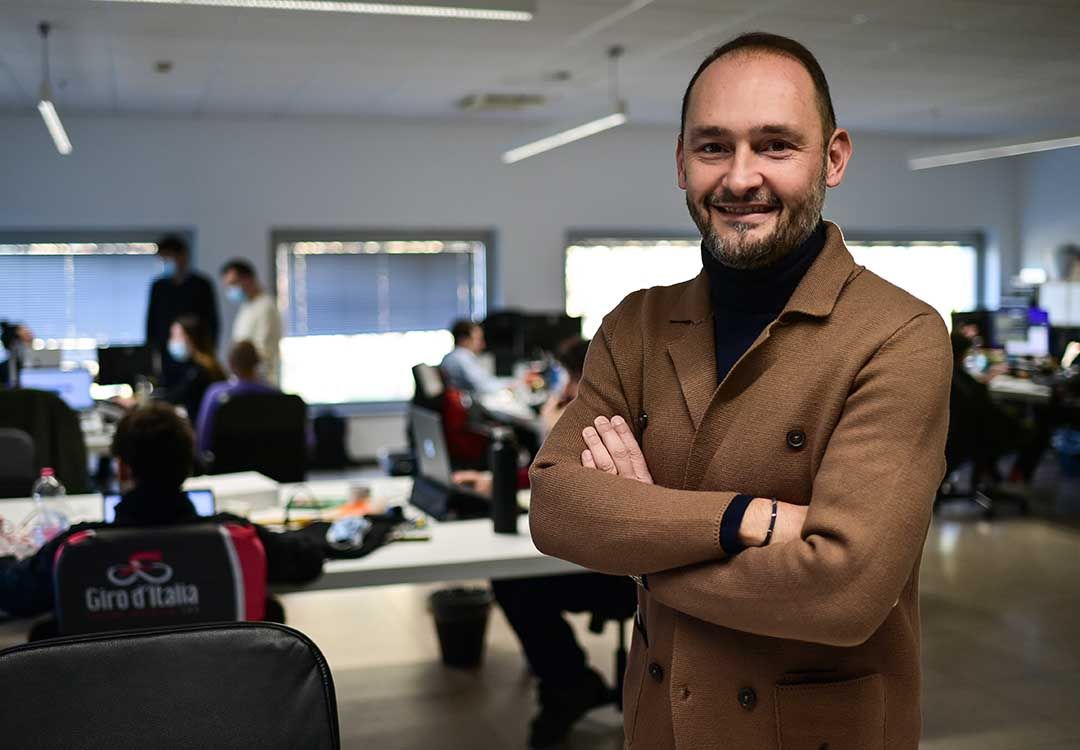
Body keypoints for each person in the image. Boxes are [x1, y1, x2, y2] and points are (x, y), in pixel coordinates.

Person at [529, 32, 951, 750]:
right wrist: (748, 519)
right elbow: (555, 507)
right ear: (682, 162)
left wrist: (642, 551)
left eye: (776, 145)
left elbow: (843, 592)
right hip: (660, 725)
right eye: (714, 147)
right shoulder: (635, 324)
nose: (740, 178)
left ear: (834, 158)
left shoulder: (899, 334)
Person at [0, 401, 325, 627]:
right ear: (187, 467)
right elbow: (306, 559)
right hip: (221, 706)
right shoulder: (235, 540)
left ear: (122, 468)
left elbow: (13, 593)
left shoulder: (75, 551)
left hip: (99, 713)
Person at [145, 235, 220, 388]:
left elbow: (212, 322)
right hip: (166, 358)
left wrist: (207, 352)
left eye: (169, 258)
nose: (166, 263)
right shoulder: (159, 287)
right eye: (163, 260)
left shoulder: (201, 285)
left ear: (182, 256)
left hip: (196, 354)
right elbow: (151, 323)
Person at [195, 340, 280, 459]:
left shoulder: (215, 395)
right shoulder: (277, 398)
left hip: (225, 471)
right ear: (257, 362)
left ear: (230, 364)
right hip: (274, 470)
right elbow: (306, 443)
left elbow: (202, 443)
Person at [220, 259, 282, 385]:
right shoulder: (246, 307)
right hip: (244, 380)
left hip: (260, 382)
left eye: (233, 283)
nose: (230, 289)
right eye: (228, 286)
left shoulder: (265, 306)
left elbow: (264, 351)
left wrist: (246, 373)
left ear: (248, 279)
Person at [160, 314, 226, 421]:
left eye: (174, 336)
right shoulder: (209, 365)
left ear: (189, 338)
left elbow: (173, 398)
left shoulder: (200, 371)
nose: (171, 340)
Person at [440, 319, 505, 395]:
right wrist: (510, 384)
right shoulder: (461, 357)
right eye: (478, 339)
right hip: (468, 403)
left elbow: (486, 380)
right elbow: (482, 386)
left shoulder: (458, 356)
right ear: (463, 339)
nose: (483, 344)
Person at [0, 320, 32, 387]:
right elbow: (13, 384)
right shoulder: (12, 363)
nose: (30, 332)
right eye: (26, 330)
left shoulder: (16, 362)